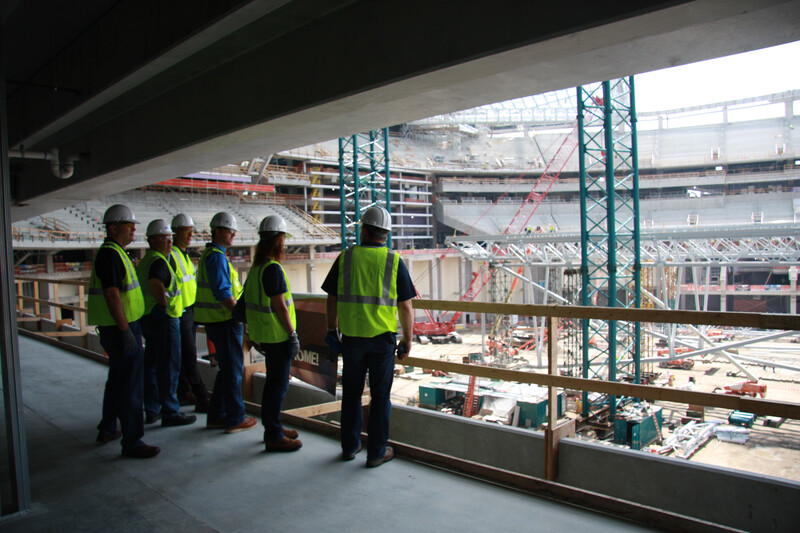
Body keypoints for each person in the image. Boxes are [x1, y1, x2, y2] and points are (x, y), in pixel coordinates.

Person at [322, 205, 415, 467]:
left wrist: (332, 330)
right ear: (386, 234)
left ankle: (349, 447)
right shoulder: (393, 261)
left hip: (351, 339)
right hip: (382, 342)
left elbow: (332, 299)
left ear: (363, 229)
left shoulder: (346, 258)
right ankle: (376, 453)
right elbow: (405, 306)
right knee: (380, 397)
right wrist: (408, 340)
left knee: (351, 395)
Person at [88, 204, 160, 459]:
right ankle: (133, 441)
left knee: (118, 381)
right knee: (130, 386)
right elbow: (111, 294)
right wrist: (125, 330)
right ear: (113, 227)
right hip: (121, 329)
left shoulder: (115, 253)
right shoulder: (111, 254)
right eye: (129, 226)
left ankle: (108, 428)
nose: (132, 231)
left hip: (121, 327)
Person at [243, 215, 302, 452]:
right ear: (277, 241)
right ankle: (273, 434)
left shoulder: (257, 268)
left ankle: (273, 426)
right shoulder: (273, 269)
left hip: (265, 336)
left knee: (273, 386)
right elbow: (279, 306)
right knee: (277, 387)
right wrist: (292, 334)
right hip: (278, 337)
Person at [195, 211, 256, 433]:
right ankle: (235, 418)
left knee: (226, 370)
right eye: (229, 231)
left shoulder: (212, 254)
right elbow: (223, 291)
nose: (232, 235)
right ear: (218, 231)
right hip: (224, 321)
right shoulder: (216, 257)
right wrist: (239, 316)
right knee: (233, 371)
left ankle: (217, 415)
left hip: (217, 322)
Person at [138, 219, 197, 427]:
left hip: (149, 319)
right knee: (169, 366)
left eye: (170, 238)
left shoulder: (148, 259)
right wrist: (163, 307)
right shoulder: (159, 261)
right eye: (165, 238)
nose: (169, 242)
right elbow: (155, 284)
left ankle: (152, 409)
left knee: (153, 365)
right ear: (152, 240)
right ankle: (170, 412)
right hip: (165, 319)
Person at [171, 213, 211, 412]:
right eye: (185, 231)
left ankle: (184, 391)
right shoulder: (173, 255)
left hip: (190, 311)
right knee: (188, 355)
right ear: (175, 232)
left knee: (184, 354)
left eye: (191, 232)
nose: (189, 235)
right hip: (181, 313)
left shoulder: (184, 255)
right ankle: (201, 395)